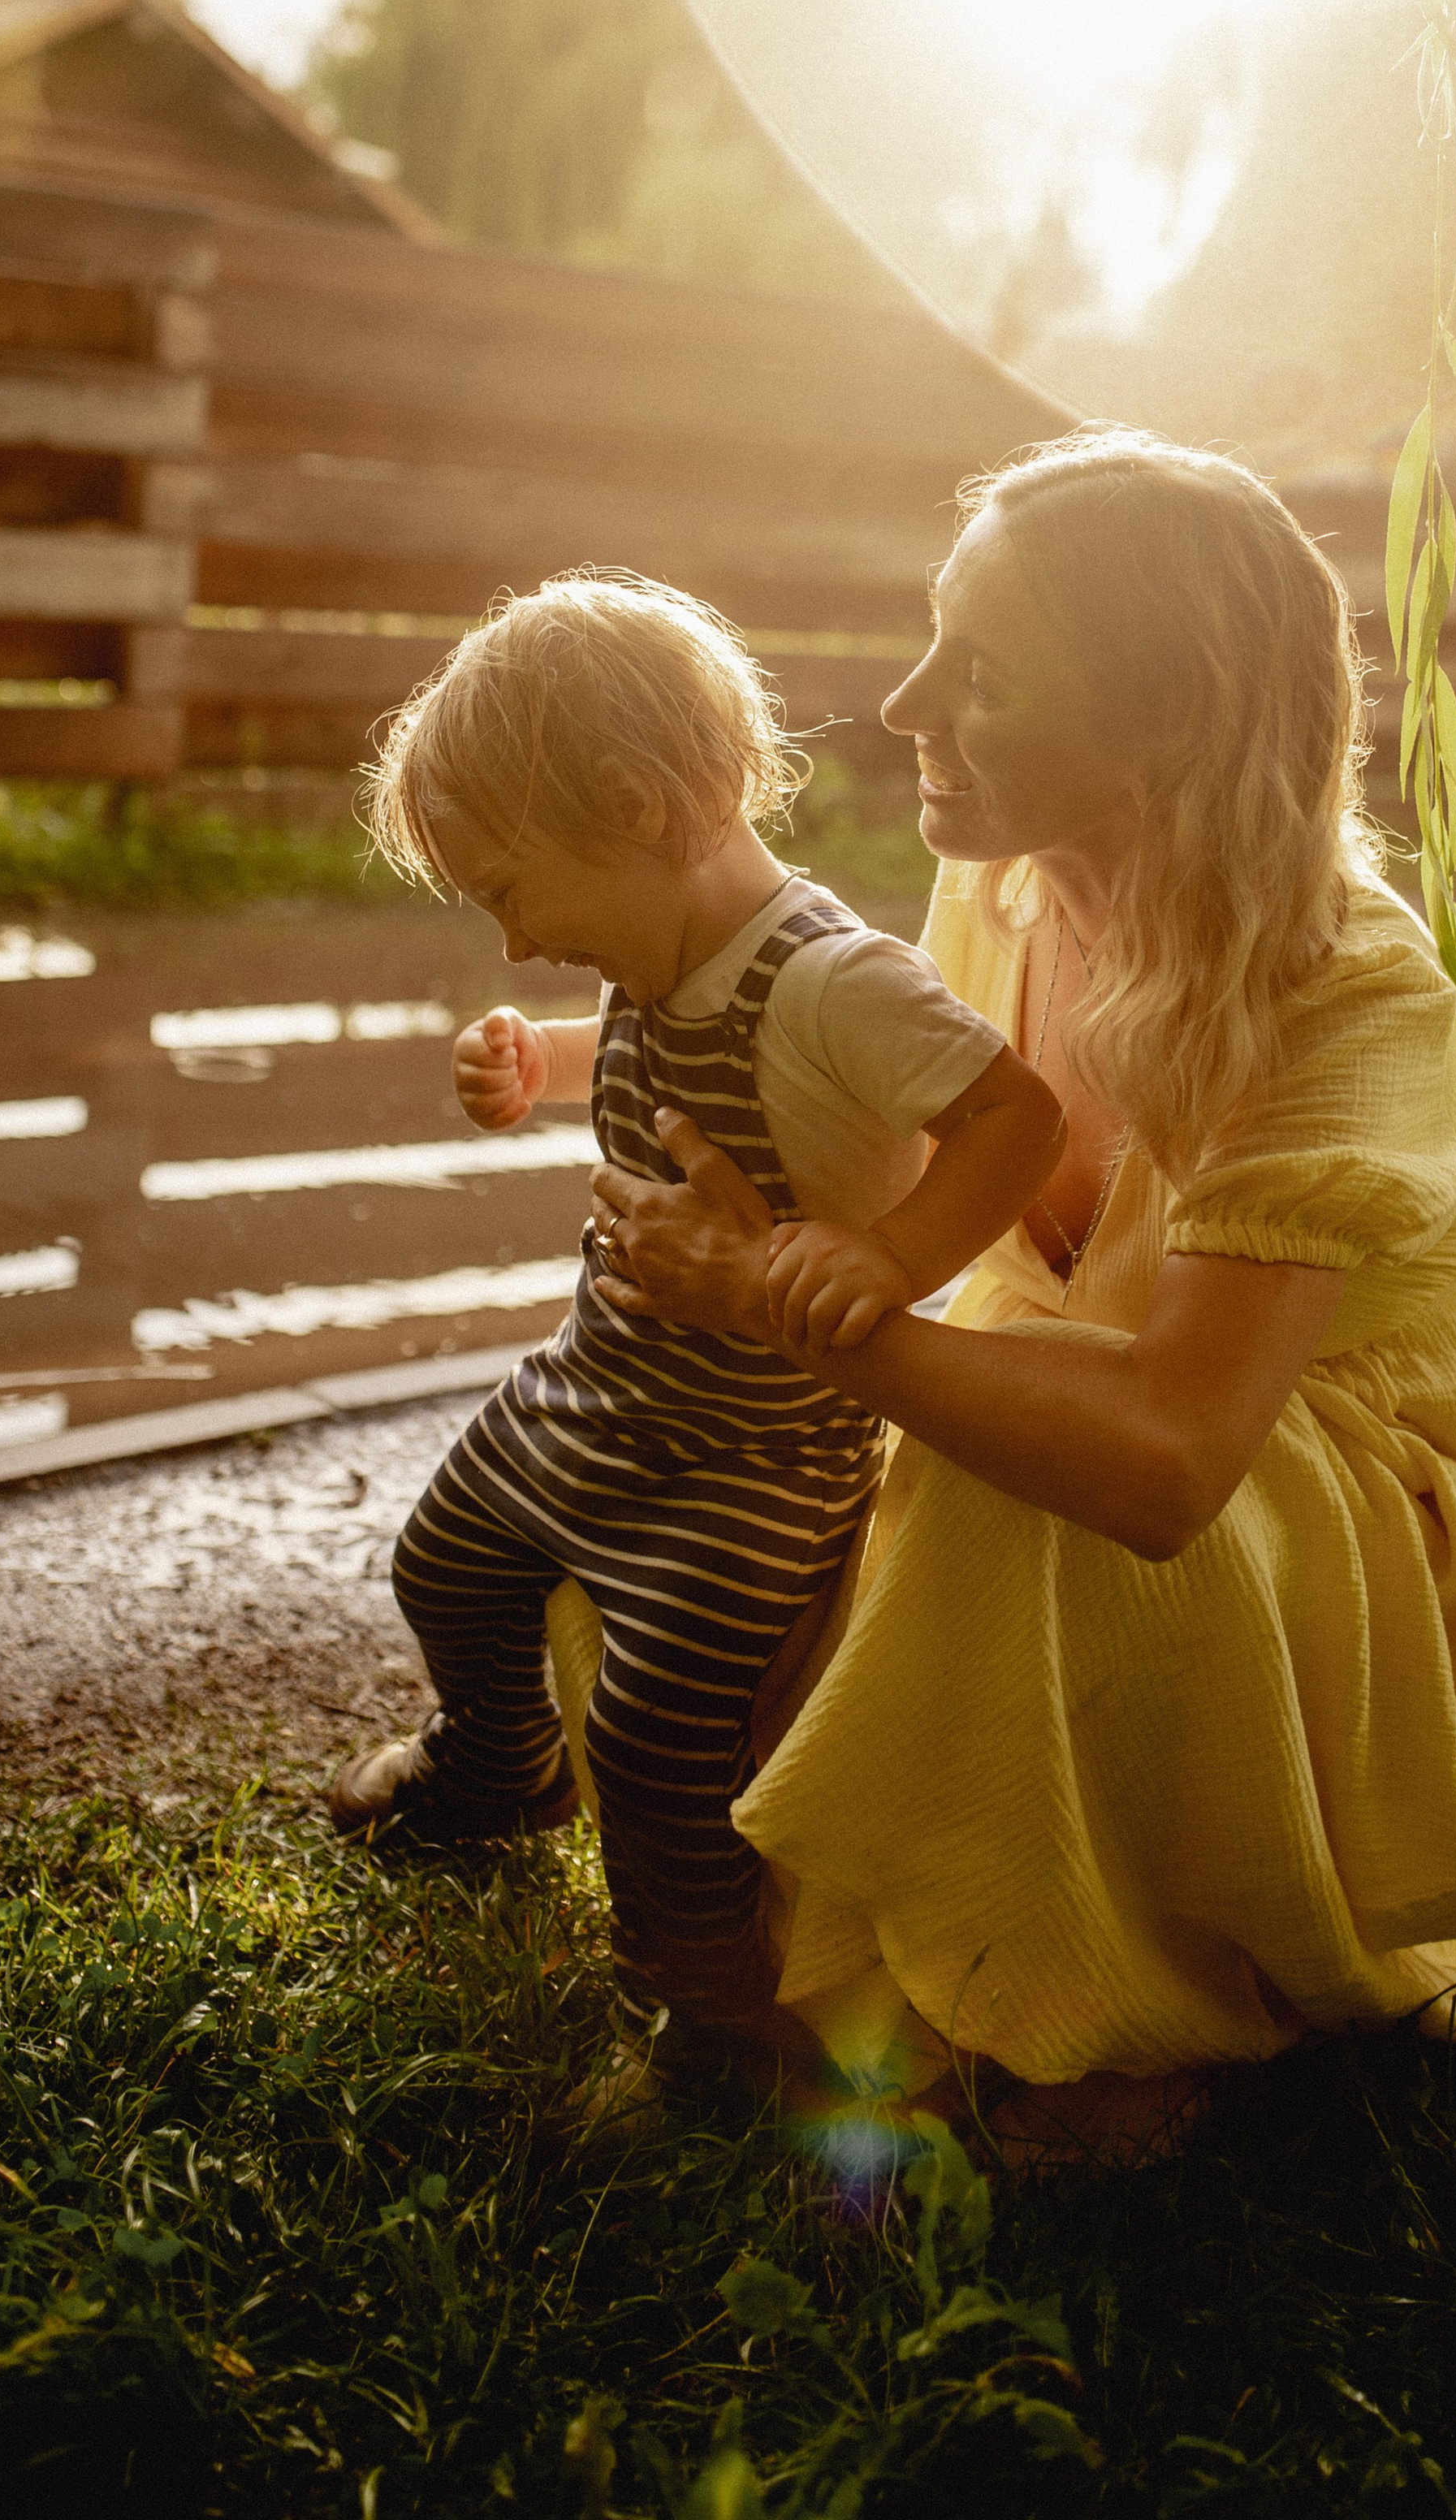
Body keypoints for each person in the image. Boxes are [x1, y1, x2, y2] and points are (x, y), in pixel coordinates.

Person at [571, 429, 1456, 2146]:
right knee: (691, 1475)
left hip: (1373, 1519)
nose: (903, 702)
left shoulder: (1350, 995)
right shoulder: (1001, 879)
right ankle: (891, 1920)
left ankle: (1122, 2020)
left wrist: (817, 1321)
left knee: (1007, 1494)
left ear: (1168, 734)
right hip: (1124, 1420)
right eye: (936, 632)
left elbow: (1164, 1456)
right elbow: (920, 1187)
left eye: (986, 673)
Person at [328, 571, 1063, 2029]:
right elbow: (634, 1014)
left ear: (641, 807)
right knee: (445, 1560)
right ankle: (497, 1770)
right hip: (595, 1384)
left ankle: (706, 1992)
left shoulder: (840, 982)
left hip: (756, 1454)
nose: (517, 941)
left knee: (663, 1734)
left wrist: (891, 1260)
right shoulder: (665, 946)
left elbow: (1017, 1120)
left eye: (515, 893)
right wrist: (540, 1058)